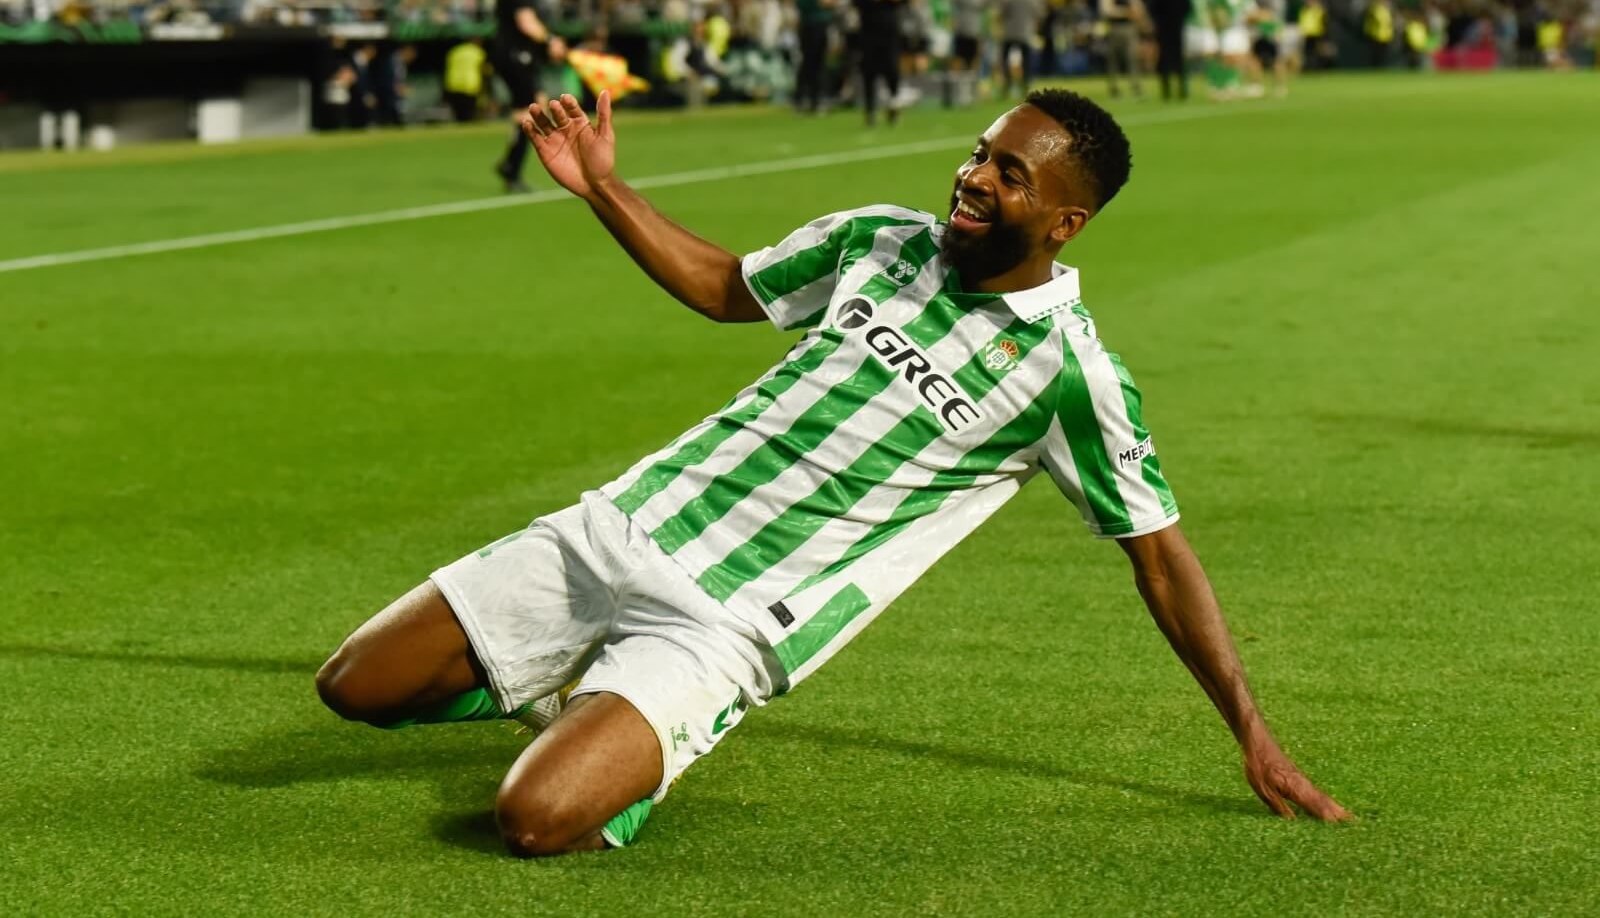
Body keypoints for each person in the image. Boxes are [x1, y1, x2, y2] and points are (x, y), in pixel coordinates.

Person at [315, 87, 1351, 857]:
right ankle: (562, 686)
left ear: (1065, 223)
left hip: (726, 625)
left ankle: (634, 742)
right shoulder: (877, 241)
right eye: (981, 152)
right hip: (623, 526)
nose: (976, 177)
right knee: (355, 687)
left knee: (534, 820)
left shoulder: (1070, 376)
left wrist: (1251, 737)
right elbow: (727, 288)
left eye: (1011, 175)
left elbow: (1162, 562)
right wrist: (601, 186)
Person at [491, 0, 567, 193]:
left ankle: (510, 164)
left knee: (528, 108)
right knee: (533, 108)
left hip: (519, 55)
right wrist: (550, 40)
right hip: (515, 55)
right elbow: (526, 22)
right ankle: (511, 167)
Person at [852, 0, 905, 126]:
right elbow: (858, 1)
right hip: (869, 34)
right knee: (869, 73)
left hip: (890, 34)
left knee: (892, 72)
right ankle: (870, 112)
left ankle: (894, 108)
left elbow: (903, 0)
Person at [792, 0, 838, 114]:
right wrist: (836, 0)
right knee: (815, 62)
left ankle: (802, 98)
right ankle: (814, 99)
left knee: (809, 62)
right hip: (816, 24)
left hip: (809, 24)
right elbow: (824, 0)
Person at [1098, 0, 1146, 99]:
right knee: (1113, 60)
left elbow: (1138, 5)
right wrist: (1126, 12)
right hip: (1114, 27)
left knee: (1133, 57)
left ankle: (1136, 86)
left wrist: (1138, 13)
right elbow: (1106, 9)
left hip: (1129, 27)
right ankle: (1114, 88)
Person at [998, 0, 1047, 97]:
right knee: (1026, 61)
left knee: (1005, 59)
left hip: (1009, 33)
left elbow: (1002, 13)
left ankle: (1007, 84)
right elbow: (1041, 14)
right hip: (1025, 33)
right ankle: (1025, 85)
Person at [1148, 0, 1189, 101]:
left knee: (1164, 59)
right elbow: (1187, 7)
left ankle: (1166, 90)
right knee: (1178, 59)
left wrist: (1159, 21)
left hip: (1163, 28)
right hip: (1177, 27)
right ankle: (1182, 89)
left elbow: (1153, 8)